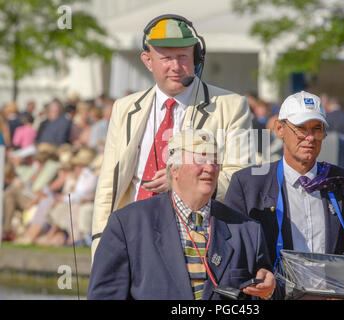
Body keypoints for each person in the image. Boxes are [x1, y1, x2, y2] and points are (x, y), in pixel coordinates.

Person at [91, 14, 254, 257]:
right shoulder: (123, 108)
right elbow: (108, 185)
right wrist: (100, 244)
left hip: (194, 241)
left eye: (183, 57)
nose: (176, 66)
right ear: (147, 60)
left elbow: (241, 178)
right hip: (129, 237)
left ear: (197, 58)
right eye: (166, 58)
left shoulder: (232, 106)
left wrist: (181, 185)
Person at [88, 130, 275, 300]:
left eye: (215, 161)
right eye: (200, 160)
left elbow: (261, 292)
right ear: (174, 169)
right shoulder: (128, 224)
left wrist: (270, 290)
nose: (210, 168)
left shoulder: (248, 230)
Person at [225, 91, 344, 268]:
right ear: (279, 129)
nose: (310, 137)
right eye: (301, 128)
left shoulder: (341, 181)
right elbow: (232, 254)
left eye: (317, 129)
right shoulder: (248, 184)